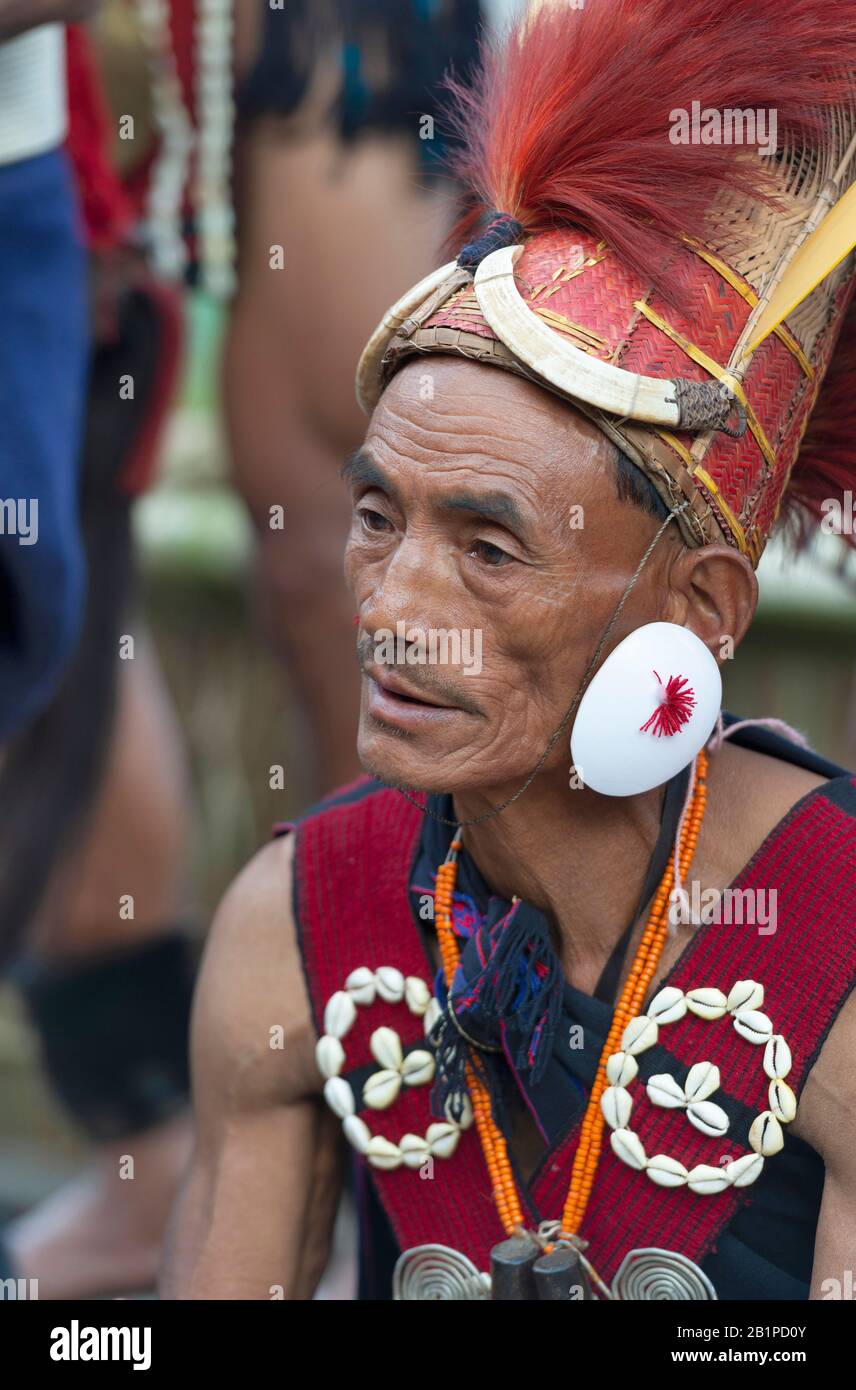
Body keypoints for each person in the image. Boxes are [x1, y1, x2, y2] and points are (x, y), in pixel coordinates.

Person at [164, 0, 856, 1300]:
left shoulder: (836, 938)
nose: (393, 604)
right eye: (378, 517)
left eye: (489, 548)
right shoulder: (297, 924)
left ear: (700, 605)